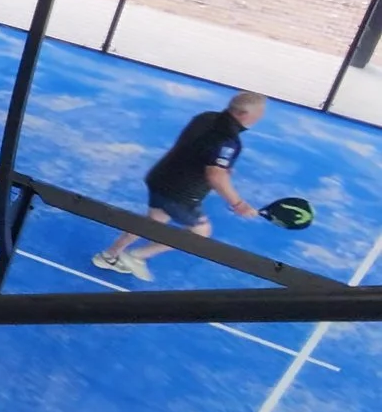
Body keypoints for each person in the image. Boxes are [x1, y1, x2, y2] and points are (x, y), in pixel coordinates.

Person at [93, 91, 267, 283]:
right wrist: (238, 204)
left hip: (160, 178)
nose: (261, 116)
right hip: (180, 194)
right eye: (260, 112)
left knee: (153, 222)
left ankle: (109, 256)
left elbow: (198, 150)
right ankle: (136, 256)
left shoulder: (206, 117)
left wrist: (221, 168)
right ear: (244, 114)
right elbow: (215, 175)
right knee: (200, 233)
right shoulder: (228, 140)